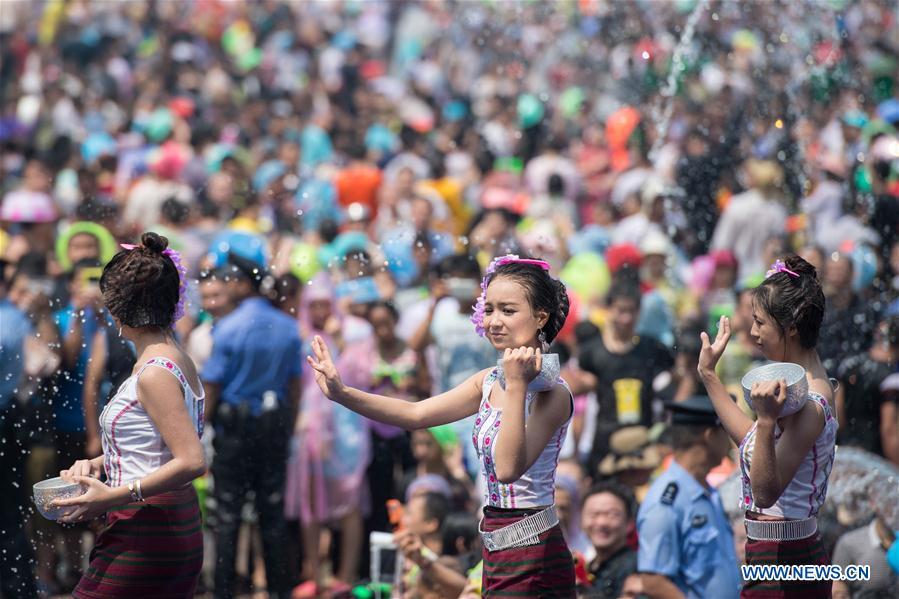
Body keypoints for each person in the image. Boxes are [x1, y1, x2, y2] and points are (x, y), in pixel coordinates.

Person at [307, 253, 576, 595]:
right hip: (497, 547)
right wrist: (342, 393)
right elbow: (416, 415)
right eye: (490, 309)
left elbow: (509, 468)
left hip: (534, 550)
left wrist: (518, 384)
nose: (494, 320)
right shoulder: (490, 380)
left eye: (508, 310)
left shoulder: (551, 392)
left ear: (541, 316)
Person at [52, 232, 206, 597]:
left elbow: (192, 459)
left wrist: (113, 496)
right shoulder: (175, 355)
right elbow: (157, 446)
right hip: (169, 521)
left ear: (120, 307)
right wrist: (98, 462)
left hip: (147, 528)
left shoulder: (154, 371)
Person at [697, 255, 837, 598]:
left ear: (791, 325)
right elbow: (754, 445)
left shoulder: (810, 403)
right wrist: (709, 376)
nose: (752, 332)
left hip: (786, 562)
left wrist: (765, 420)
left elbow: (765, 492)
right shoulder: (799, 384)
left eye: (760, 322)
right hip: (776, 554)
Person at [201, 251, 302, 599]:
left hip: (234, 430)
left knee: (227, 514)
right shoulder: (288, 327)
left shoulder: (228, 327)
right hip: (273, 427)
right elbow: (294, 385)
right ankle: (279, 590)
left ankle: (224, 591)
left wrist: (199, 428)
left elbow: (212, 383)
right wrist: (288, 427)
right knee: (271, 515)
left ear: (245, 285)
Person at [636, 395, 741, 599]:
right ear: (710, 435)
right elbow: (654, 581)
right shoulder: (666, 501)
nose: (729, 444)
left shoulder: (707, 492)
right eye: (725, 433)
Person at [578, 272, 674, 473]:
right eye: (621, 310)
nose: (627, 318)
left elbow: (674, 381)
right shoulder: (592, 351)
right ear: (609, 309)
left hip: (642, 443)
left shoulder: (651, 349)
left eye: (632, 311)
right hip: (604, 442)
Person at [0, 259, 39, 599]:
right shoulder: (15, 318)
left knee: (8, 512)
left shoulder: (7, 320)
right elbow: (41, 363)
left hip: (3, 421)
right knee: (10, 511)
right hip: (11, 420)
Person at [580, 482, 638, 599]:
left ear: (629, 523)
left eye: (612, 515)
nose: (602, 522)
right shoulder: (586, 566)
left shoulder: (637, 567)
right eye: (593, 514)